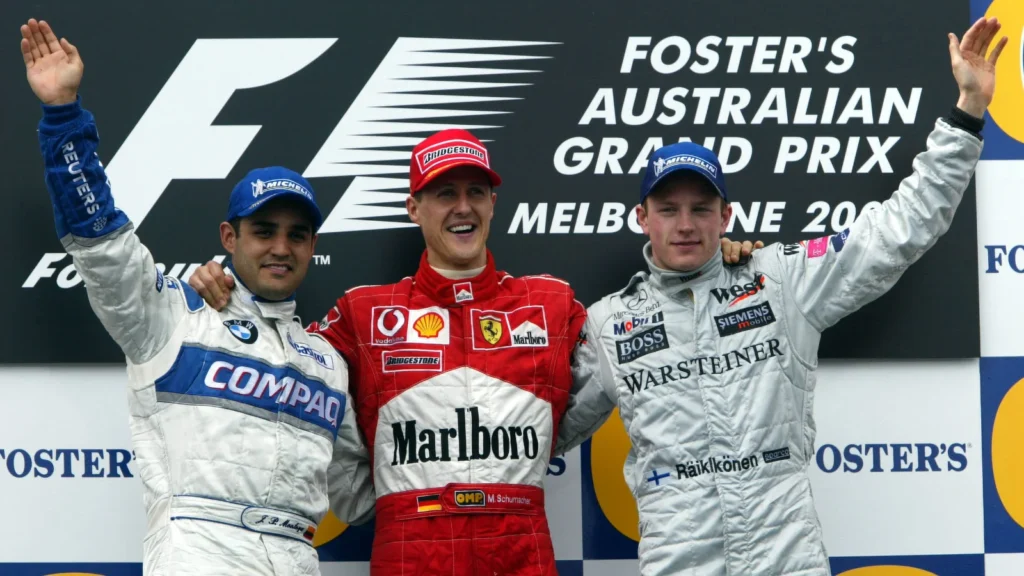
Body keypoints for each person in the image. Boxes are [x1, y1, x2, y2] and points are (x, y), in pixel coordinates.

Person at [188, 125, 760, 572]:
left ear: (492, 203)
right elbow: (285, 368)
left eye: (475, 192)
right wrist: (219, 290)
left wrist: (713, 270)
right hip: (410, 550)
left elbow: (640, 352)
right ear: (415, 208)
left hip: (521, 549)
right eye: (444, 194)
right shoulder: (362, 313)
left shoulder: (553, 303)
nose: (462, 207)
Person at [554, 17, 1007, 576]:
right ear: (642, 218)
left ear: (727, 215)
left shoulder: (779, 279)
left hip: (785, 559)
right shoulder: (610, 324)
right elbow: (535, 433)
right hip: (680, 562)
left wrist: (966, 112)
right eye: (668, 209)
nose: (686, 224)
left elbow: (898, 229)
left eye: (702, 208)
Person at [21, 18, 374, 575]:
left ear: (312, 248)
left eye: (296, 234)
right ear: (229, 237)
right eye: (264, 231)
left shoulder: (327, 363)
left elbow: (360, 492)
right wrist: (64, 117)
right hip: (199, 549)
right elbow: (103, 246)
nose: (281, 247)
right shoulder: (173, 315)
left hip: (299, 555)